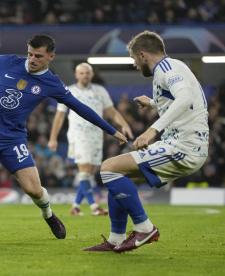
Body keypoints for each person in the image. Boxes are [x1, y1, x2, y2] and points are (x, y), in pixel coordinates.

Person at [0, 35, 128, 239]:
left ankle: (48, 214)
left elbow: (81, 108)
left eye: (38, 56)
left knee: (34, 190)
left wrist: (111, 130)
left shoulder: (52, 83)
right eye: (30, 54)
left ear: (50, 57)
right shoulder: (8, 62)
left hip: (12, 139)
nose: (32, 60)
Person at [84, 31, 209, 252]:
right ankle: (115, 239)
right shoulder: (173, 68)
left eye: (133, 59)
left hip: (183, 146)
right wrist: (153, 103)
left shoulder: (167, 69)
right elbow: (189, 101)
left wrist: (152, 130)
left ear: (142, 55)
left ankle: (145, 228)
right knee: (117, 174)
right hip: (185, 144)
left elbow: (185, 98)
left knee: (108, 168)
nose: (134, 64)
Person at [48, 63, 133, 216]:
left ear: (92, 74)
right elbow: (60, 115)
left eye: (87, 73)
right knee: (85, 170)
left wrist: (124, 124)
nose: (85, 75)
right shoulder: (69, 91)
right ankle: (94, 207)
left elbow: (111, 111)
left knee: (90, 172)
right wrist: (53, 138)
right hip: (79, 135)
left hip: (96, 136)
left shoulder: (100, 91)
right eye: (81, 73)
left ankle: (75, 206)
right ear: (76, 75)